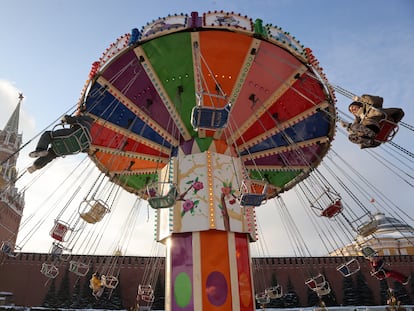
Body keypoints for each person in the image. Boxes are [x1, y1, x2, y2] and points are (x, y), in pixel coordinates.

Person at [27, 114, 94, 173]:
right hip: (72, 149)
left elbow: (69, 119)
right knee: (53, 153)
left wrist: (64, 119)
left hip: (69, 135)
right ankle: (35, 166)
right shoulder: (90, 132)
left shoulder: (82, 119)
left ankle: (40, 150)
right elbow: (85, 149)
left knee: (48, 135)